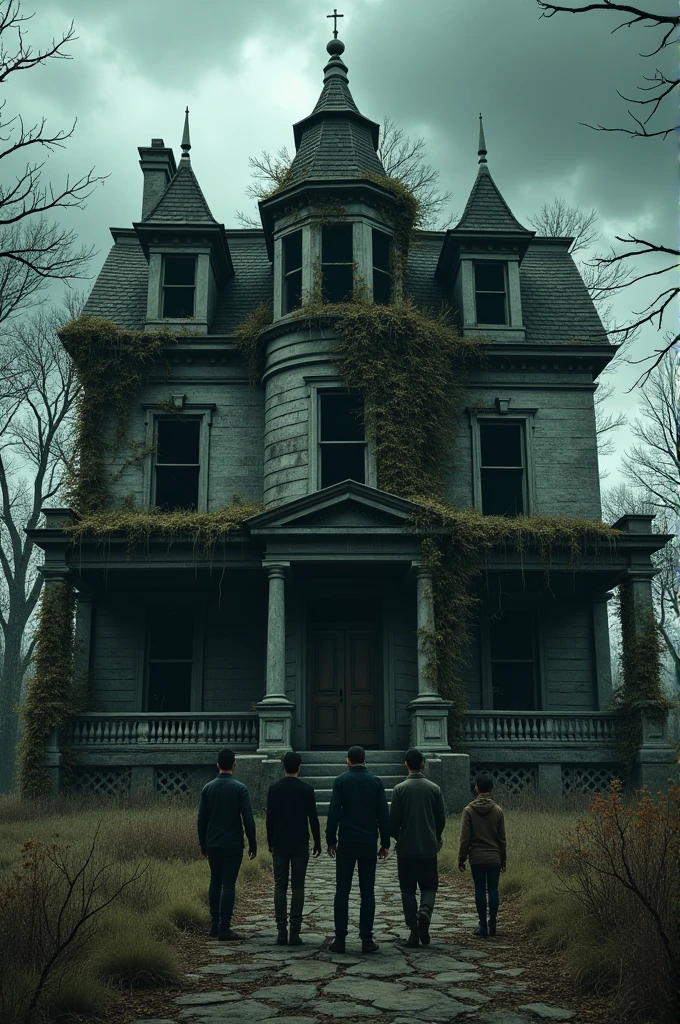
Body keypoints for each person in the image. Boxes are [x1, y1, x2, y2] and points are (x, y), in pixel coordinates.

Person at [325, 744, 390, 954]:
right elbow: (383, 814)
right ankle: (366, 939)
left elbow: (334, 812)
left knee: (342, 891)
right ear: (365, 760)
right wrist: (385, 842)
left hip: (347, 842)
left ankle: (340, 938)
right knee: (367, 892)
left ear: (348, 761)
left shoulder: (341, 781)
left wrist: (330, 839)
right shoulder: (376, 782)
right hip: (368, 842)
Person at [197, 747, 257, 941]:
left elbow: (201, 820)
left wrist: (202, 844)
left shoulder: (208, 788)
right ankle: (225, 927)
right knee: (228, 883)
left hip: (213, 842)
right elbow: (248, 819)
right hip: (233, 843)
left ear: (217, 766)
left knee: (215, 880)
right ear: (234, 765)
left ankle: (214, 925)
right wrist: (252, 843)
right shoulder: (240, 788)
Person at [389, 747, 447, 947]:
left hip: (406, 849)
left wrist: (399, 837)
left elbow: (394, 820)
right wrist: (435, 837)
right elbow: (441, 819)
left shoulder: (399, 789)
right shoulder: (434, 788)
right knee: (429, 885)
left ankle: (413, 930)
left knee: (407, 888)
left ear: (406, 764)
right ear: (422, 764)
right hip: (428, 847)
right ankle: (425, 911)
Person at [266, 750, 321, 946]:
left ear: (283, 767)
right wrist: (317, 840)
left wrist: (269, 840)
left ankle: (281, 931)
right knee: (298, 887)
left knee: (280, 886)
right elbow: (313, 818)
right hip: (300, 843)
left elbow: (269, 819)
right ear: (299, 767)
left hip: (280, 842)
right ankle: (295, 932)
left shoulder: (274, 789)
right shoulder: (306, 789)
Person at [458, 773, 507, 939]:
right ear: (491, 789)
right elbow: (502, 839)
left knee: (480, 890)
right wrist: (503, 858)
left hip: (477, 857)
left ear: (476, 788)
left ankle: (482, 925)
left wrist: (461, 858)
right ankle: (493, 921)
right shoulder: (497, 810)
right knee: (493, 889)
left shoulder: (469, 810)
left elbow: (465, 838)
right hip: (494, 857)